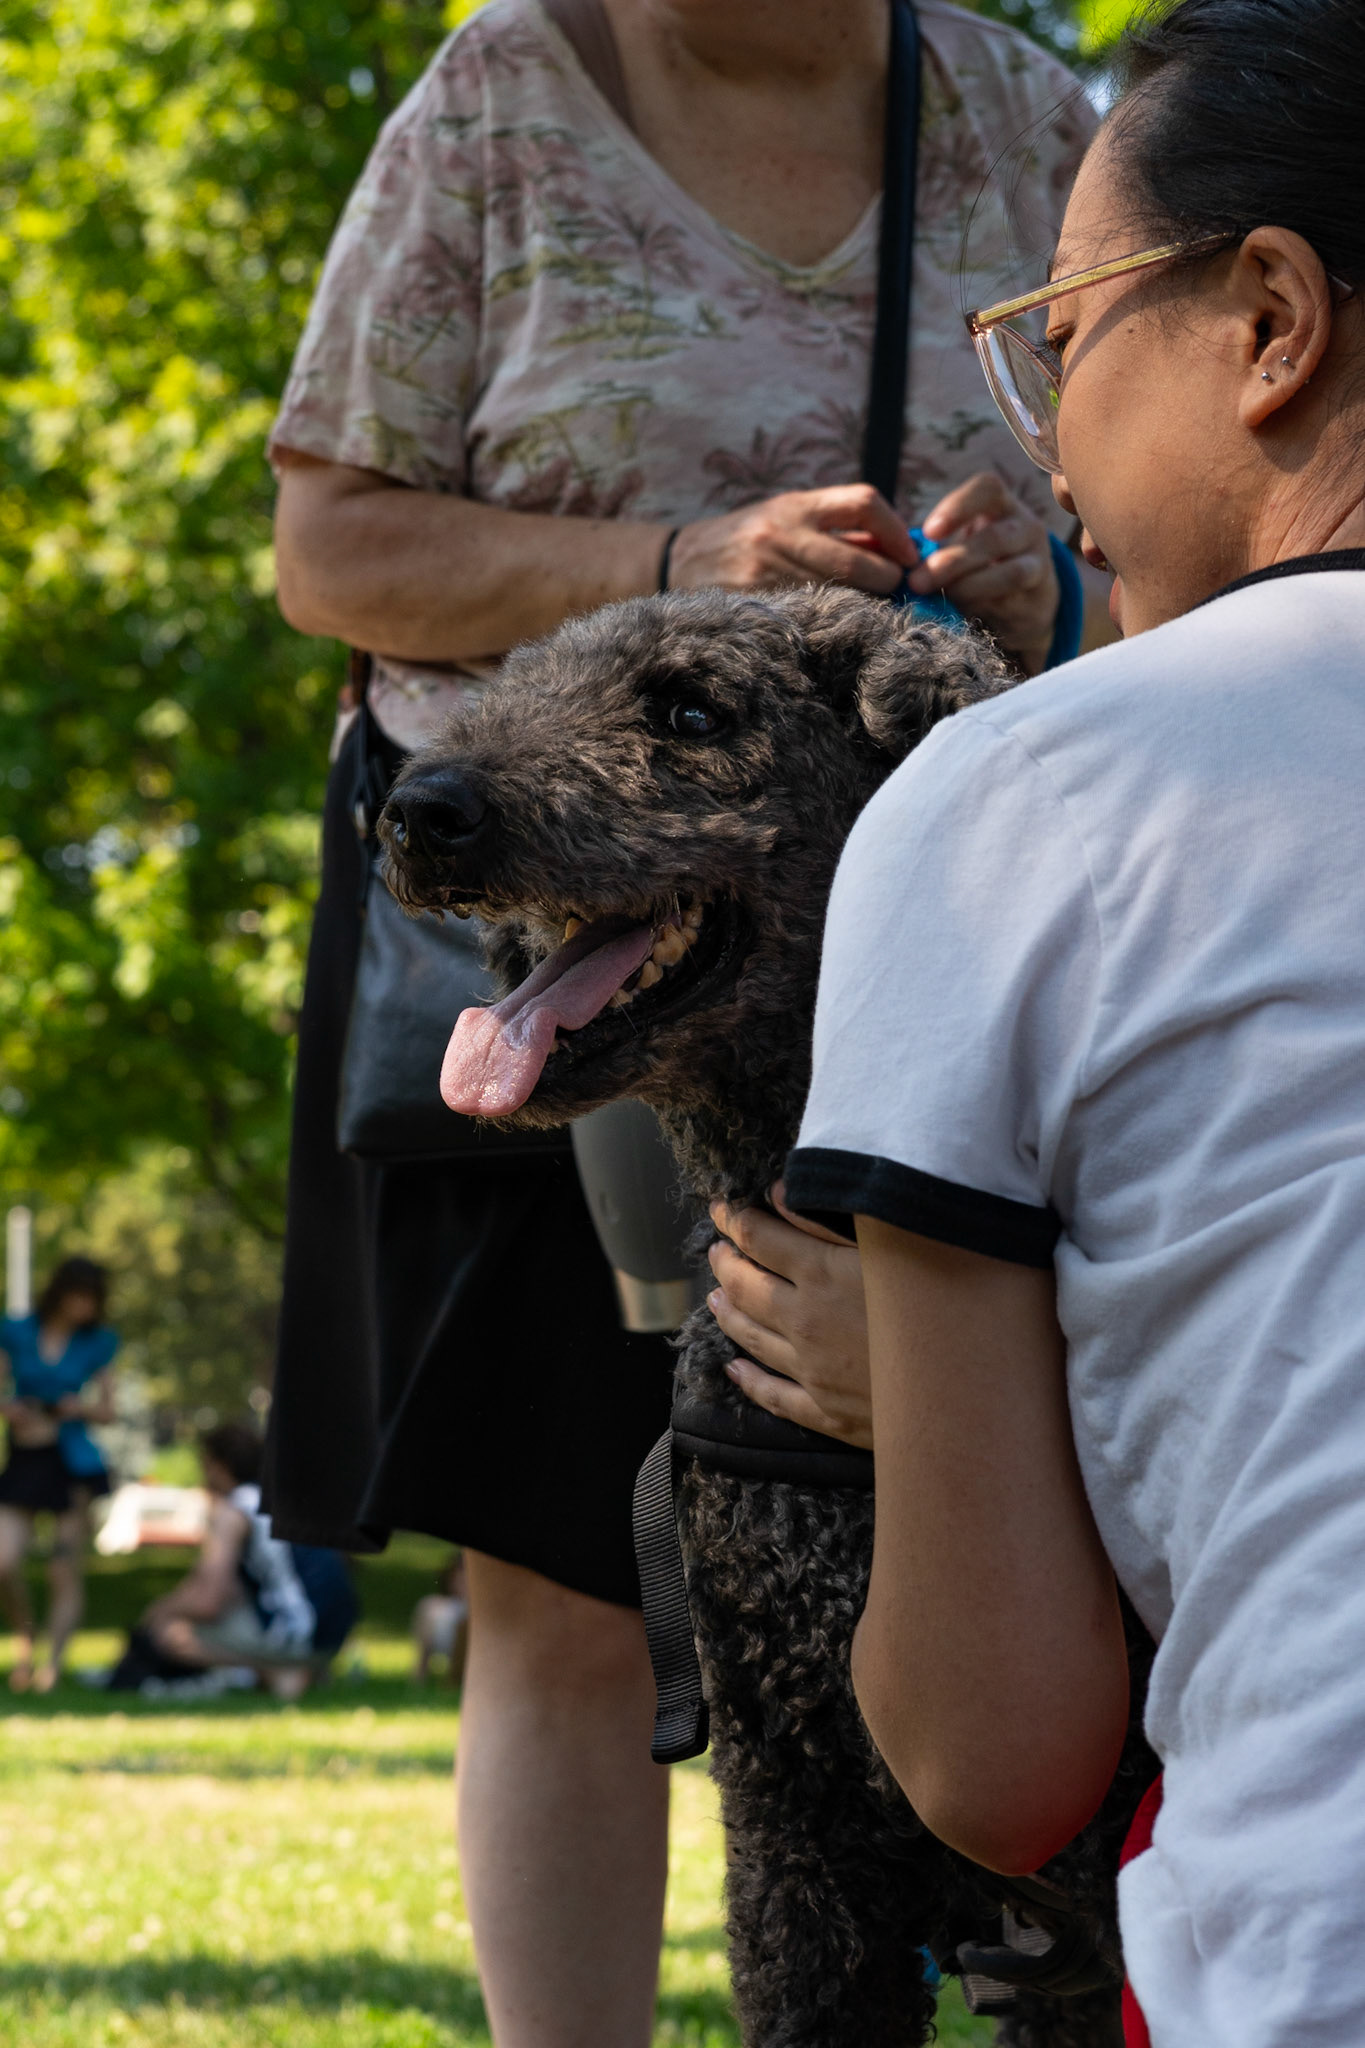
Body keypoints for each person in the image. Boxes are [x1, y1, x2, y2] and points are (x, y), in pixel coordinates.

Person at [265, 2, 1100, 2038]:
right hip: (542, 943)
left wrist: (1052, 588)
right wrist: (681, 561)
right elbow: (328, 544)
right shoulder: (500, 94)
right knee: (569, 1578)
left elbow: (1200, 514)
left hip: (960, 953)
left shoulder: (1029, 109)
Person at [709, 2, 1365, 2041]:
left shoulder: (1022, 798)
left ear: (1271, 319)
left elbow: (996, 1748)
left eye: (1059, 336)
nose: (1043, 450)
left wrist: (953, 1407)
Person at [110, 1421, 357, 1701]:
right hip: (334, 1632)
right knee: (234, 1614)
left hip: (296, 1631)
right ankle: (306, 1668)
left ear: (219, 1466)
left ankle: (273, 1671)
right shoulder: (285, 1497)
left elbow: (209, 1601)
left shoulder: (237, 1510)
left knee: (171, 1633)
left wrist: (157, 1612)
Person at [0, 1256, 117, 1693]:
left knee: (63, 1569)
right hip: (26, 1457)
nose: (86, 1307)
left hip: (73, 1462)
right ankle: (26, 1640)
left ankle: (52, 1666)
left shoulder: (98, 1342)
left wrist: (78, 1408)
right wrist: (11, 1409)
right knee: (3, 1561)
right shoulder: (16, 1331)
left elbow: (108, 1410)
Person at [413, 1552, 469, 1686]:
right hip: (446, 1639)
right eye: (459, 1577)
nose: (463, 1582)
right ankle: (420, 1673)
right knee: (429, 1608)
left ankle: (456, 1676)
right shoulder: (436, 1605)